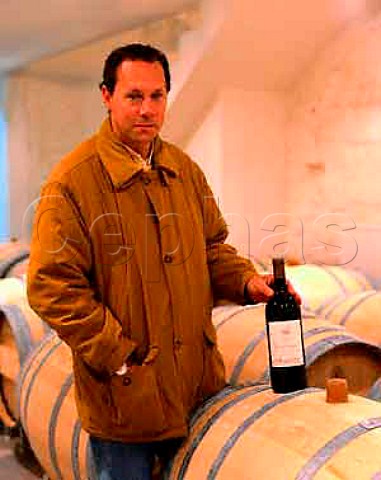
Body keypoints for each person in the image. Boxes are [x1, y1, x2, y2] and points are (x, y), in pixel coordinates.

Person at [27, 43, 301, 480]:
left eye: (157, 96)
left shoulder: (183, 170)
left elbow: (212, 249)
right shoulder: (73, 181)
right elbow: (50, 285)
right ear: (106, 96)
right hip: (126, 402)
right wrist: (119, 357)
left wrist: (248, 282)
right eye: (134, 96)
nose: (147, 110)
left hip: (197, 388)